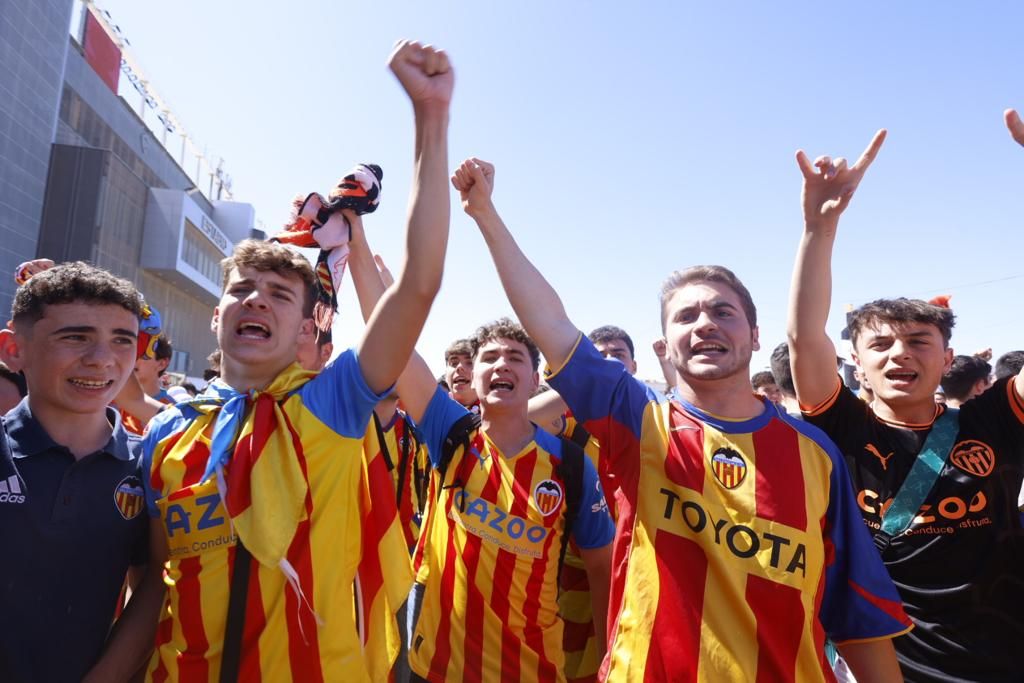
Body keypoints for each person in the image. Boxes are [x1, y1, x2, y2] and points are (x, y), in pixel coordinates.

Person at [453, 155, 909, 681]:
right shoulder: (636, 420)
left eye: (722, 312)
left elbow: (860, 623)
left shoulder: (816, 453)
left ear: (755, 337)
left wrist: (820, 228)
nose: (704, 325)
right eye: (685, 316)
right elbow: (551, 324)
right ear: (665, 344)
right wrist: (486, 214)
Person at [140, 39, 454, 681]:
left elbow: (419, 280)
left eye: (280, 294)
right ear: (215, 315)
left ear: (310, 322)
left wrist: (430, 120)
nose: (256, 300)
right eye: (241, 290)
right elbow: (151, 582)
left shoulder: (333, 402)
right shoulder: (164, 436)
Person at [788, 120, 1024, 681]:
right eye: (881, 344)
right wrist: (818, 231)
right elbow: (804, 337)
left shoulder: (996, 419)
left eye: (920, 341)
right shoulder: (843, 425)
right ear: (858, 364)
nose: (900, 354)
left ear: (948, 359)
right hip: (890, 667)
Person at [346, 201, 615, 683]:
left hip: (534, 672)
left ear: (537, 380)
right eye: (489, 357)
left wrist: (605, 665)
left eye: (516, 358)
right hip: (438, 668)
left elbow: (601, 567)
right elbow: (394, 342)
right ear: (473, 373)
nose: (501, 365)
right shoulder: (449, 432)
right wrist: (356, 242)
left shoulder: (571, 467)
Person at [0, 262, 164, 682]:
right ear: (13, 349)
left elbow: (152, 588)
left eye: (122, 340)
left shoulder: (150, 467)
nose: (101, 359)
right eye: (75, 337)